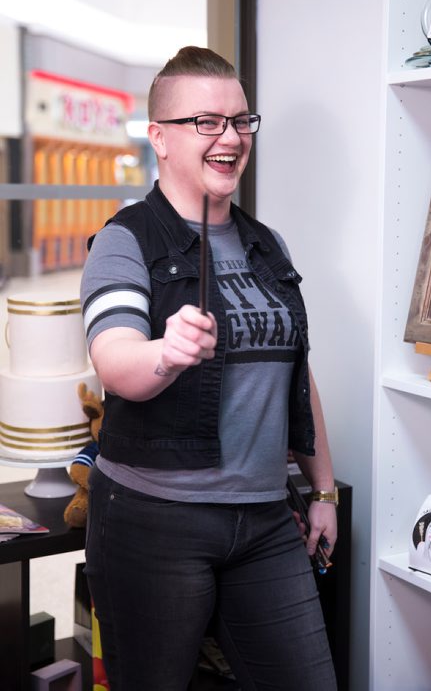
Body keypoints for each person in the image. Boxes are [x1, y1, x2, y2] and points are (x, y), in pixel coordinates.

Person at [81, 45, 338, 691]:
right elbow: (115, 362)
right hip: (153, 521)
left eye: (240, 120)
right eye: (206, 121)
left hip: (265, 519)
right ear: (160, 139)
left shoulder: (266, 243)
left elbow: (294, 376)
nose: (229, 136)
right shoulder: (125, 240)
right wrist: (165, 353)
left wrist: (324, 490)